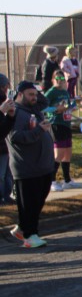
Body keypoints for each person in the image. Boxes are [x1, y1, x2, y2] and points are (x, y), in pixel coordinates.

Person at [7, 81, 56, 248]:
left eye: (35, 94)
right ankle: (30, 235)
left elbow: (44, 101)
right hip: (27, 166)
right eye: (30, 95)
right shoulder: (16, 112)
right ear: (20, 94)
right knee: (29, 203)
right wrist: (39, 130)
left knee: (38, 200)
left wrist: (36, 89)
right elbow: (16, 137)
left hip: (42, 165)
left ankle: (23, 228)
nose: (34, 98)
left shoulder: (33, 108)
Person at [43, 72, 76, 191]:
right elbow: (43, 107)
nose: (60, 80)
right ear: (53, 79)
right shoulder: (51, 92)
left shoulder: (65, 91)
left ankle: (67, 180)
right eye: (57, 78)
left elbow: (68, 105)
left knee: (67, 153)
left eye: (62, 78)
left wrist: (72, 105)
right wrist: (56, 109)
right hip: (56, 124)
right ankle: (52, 181)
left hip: (66, 123)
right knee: (59, 154)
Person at [0, 74, 14, 205]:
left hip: (5, 145)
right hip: (2, 147)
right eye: (5, 86)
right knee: (1, 175)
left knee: (7, 174)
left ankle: (6, 195)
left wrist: (10, 116)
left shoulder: (5, 101)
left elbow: (4, 130)